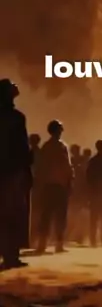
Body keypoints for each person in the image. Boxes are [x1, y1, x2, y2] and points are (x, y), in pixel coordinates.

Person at [0, 79, 31, 269]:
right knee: (13, 214)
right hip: (12, 172)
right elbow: (22, 148)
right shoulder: (17, 118)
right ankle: (11, 255)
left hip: (9, 171)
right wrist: (26, 170)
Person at [36, 120, 73, 254]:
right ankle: (56, 244)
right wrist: (69, 182)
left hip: (51, 185)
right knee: (58, 216)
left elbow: (41, 167)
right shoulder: (61, 146)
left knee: (48, 215)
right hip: (57, 185)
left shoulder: (46, 147)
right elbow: (67, 167)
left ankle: (44, 244)